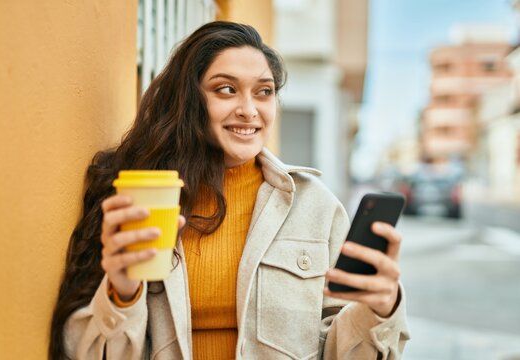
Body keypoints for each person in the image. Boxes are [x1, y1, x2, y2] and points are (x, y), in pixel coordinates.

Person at [49, 21, 409, 360]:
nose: (249, 110)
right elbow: (81, 350)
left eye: (264, 92)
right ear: (189, 100)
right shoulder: (141, 198)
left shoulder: (315, 206)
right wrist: (122, 292)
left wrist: (378, 310)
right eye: (226, 89)